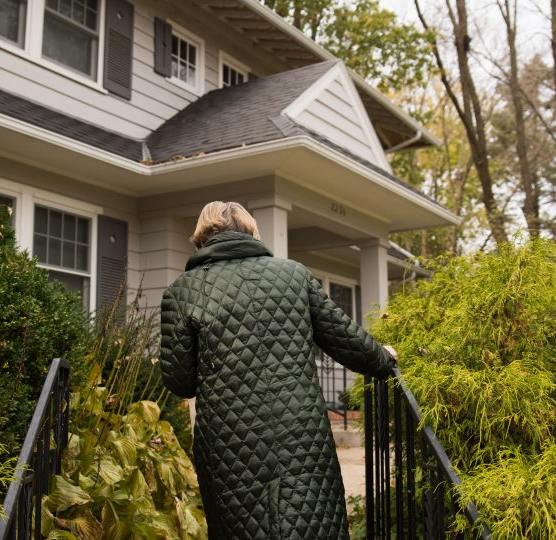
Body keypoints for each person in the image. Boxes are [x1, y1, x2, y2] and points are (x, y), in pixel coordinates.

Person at [160, 201, 396, 539]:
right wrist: (383, 358)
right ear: (252, 232)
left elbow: (180, 381)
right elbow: (343, 337)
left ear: (201, 236)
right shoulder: (294, 274)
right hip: (301, 432)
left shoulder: (181, 292)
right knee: (312, 522)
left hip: (230, 441)